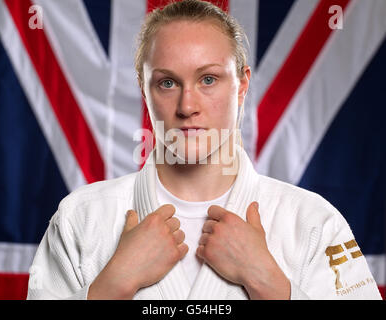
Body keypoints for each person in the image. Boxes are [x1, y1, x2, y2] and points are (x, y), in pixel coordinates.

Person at [27, 0, 382, 300]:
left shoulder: (312, 221)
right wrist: (110, 286)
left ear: (242, 84)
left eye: (208, 79)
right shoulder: (81, 219)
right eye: (167, 82)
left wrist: (271, 284)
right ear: (143, 88)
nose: (187, 106)